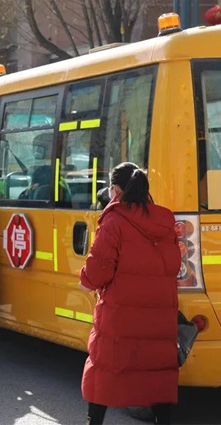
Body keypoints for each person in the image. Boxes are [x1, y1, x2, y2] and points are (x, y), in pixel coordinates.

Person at [79, 162, 180, 425]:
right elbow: (174, 266)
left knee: (104, 370)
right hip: (159, 313)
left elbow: (99, 268)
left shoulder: (114, 220)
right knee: (156, 371)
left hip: (120, 313)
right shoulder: (166, 221)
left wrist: (85, 281)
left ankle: (94, 421)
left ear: (115, 190)